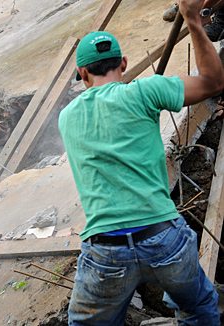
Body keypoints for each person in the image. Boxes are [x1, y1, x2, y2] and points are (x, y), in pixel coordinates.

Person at [57, 0, 224, 324]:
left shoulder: (67, 117)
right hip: (163, 238)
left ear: (81, 73)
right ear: (124, 62)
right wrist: (192, 19)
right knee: (199, 309)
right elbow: (214, 82)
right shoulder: (145, 92)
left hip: (105, 251)